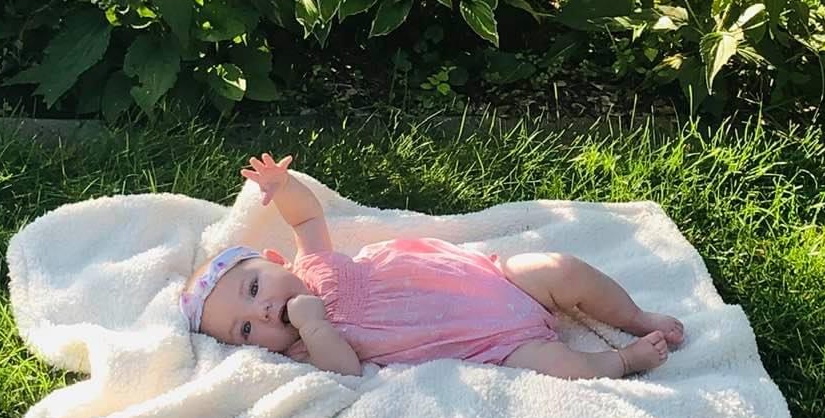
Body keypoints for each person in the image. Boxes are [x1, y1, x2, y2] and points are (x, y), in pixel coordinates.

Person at [179, 153, 685, 379]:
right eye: (244, 329)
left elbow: (308, 216)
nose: (264, 313)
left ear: (272, 261)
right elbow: (345, 370)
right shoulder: (307, 346)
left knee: (565, 269)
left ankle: (634, 318)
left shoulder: (312, 262)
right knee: (564, 366)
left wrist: (282, 186)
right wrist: (313, 325)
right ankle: (622, 361)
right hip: (495, 344)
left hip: (495, 281)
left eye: (252, 290)